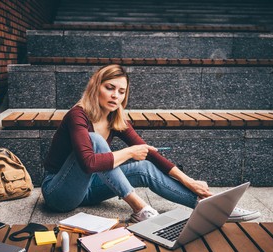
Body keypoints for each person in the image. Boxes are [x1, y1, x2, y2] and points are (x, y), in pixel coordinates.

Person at [42, 64, 261, 222]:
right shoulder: (77, 115)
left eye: (121, 91)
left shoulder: (114, 119)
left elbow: (149, 153)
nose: (115, 96)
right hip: (58, 193)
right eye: (109, 87)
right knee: (95, 140)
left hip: (89, 190)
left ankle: (211, 207)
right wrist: (129, 152)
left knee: (145, 165)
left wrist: (189, 181)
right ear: (95, 86)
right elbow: (89, 163)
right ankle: (140, 209)